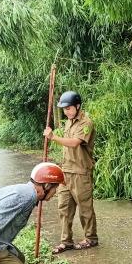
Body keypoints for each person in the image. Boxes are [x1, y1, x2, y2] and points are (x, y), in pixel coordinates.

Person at [43, 90, 98, 253]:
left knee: (85, 208)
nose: (66, 111)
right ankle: (66, 241)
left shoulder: (86, 123)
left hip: (81, 172)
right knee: (64, 207)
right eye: (64, 109)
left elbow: (75, 143)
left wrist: (53, 137)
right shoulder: (68, 121)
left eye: (69, 108)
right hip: (65, 172)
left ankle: (91, 238)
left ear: (78, 106)